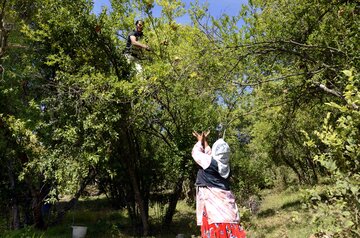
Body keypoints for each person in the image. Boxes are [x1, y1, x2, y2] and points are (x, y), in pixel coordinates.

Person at [192, 129, 246, 238]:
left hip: (215, 214)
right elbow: (211, 156)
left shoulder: (209, 163)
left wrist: (199, 141)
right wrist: (205, 141)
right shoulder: (226, 167)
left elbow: (196, 153)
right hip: (228, 213)